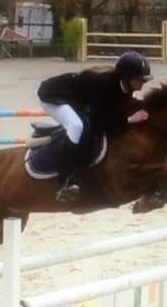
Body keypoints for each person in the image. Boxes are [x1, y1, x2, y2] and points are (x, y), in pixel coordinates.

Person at [37, 51, 153, 202]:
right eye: (139, 80)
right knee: (78, 126)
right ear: (126, 77)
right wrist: (129, 120)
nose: (142, 84)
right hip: (53, 96)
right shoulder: (105, 85)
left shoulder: (123, 87)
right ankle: (65, 181)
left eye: (144, 80)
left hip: (75, 99)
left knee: (85, 124)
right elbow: (99, 119)